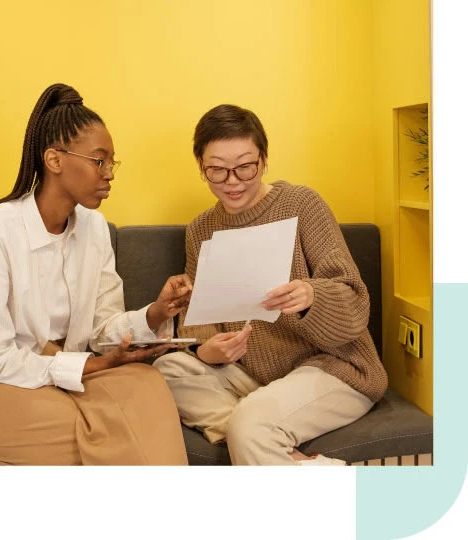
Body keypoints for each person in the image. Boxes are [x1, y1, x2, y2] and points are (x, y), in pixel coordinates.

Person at [0, 83, 192, 465]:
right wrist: (89, 366)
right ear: (55, 160)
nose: (109, 173)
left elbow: (101, 328)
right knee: (90, 423)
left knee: (149, 385)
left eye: (112, 162)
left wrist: (155, 315)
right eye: (99, 160)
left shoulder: (94, 229)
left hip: (66, 370)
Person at [153, 104, 388, 466]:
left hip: (331, 367)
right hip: (252, 377)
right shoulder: (201, 229)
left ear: (264, 159)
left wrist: (313, 295)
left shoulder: (302, 204)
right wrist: (206, 351)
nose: (232, 181)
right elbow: (200, 319)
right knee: (162, 374)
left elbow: (355, 303)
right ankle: (278, 448)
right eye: (216, 169)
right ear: (201, 166)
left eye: (245, 166)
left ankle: (254, 431)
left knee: (252, 423)